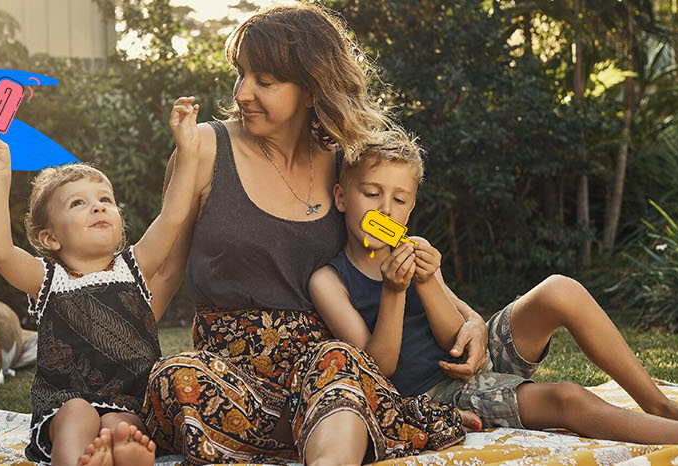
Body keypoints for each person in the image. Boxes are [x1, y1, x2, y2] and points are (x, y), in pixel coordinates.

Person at [311, 131, 678, 445]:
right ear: (341, 196)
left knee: (561, 287)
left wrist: (439, 289)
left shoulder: (417, 251)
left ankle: (657, 402)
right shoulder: (330, 279)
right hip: (432, 391)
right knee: (567, 398)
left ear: (412, 208)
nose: (385, 210)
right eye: (371, 193)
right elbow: (372, 372)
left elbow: (459, 329)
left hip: (469, 359)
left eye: (399, 199)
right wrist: (398, 294)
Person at [140, 5, 482, 465]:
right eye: (241, 74)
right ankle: (368, 424)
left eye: (265, 80)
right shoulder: (201, 149)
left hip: (326, 368)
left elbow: (396, 251)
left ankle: (326, 442)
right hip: (232, 380)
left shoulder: (347, 162)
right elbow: (162, 273)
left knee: (339, 366)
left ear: (311, 87)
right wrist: (120, 369)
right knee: (174, 376)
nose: (242, 93)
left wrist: (472, 319)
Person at [0, 96, 203, 466]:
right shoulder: (48, 279)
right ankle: (81, 458)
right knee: (79, 412)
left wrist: (187, 149)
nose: (97, 206)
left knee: (120, 426)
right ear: (50, 238)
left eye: (105, 199)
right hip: (63, 406)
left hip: (129, 402)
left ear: (119, 221)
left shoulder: (135, 267)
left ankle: (119, 454)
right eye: (77, 203)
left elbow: (174, 215)